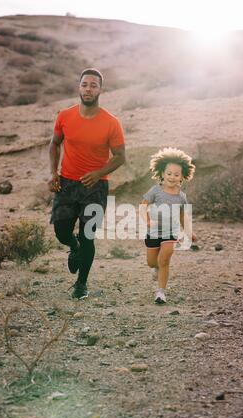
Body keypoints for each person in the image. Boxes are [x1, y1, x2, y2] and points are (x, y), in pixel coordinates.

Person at [48, 68, 125, 299]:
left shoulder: (111, 122)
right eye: (84, 85)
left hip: (96, 186)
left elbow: (120, 157)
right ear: (79, 87)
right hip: (66, 183)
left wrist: (99, 172)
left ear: (100, 89)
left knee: (87, 235)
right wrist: (53, 173)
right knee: (61, 231)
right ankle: (74, 247)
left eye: (93, 85)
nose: (88, 89)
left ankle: (81, 285)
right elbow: (54, 144)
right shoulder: (64, 115)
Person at [140, 148, 196, 304]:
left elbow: (183, 215)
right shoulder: (155, 191)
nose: (172, 177)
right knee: (152, 262)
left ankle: (160, 292)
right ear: (162, 173)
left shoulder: (181, 196)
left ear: (182, 176)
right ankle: (155, 268)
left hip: (171, 233)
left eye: (176, 175)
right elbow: (143, 206)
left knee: (164, 260)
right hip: (153, 232)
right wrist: (148, 221)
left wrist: (189, 232)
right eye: (169, 173)